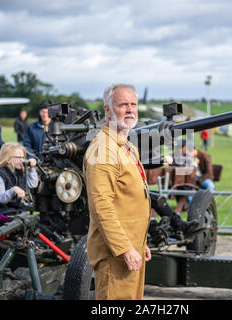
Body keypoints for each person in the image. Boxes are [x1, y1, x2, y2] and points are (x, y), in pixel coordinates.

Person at [83, 84, 152, 300]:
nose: (130, 109)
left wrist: (140, 243)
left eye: (133, 104)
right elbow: (101, 207)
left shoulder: (125, 146)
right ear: (107, 110)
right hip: (115, 254)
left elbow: (128, 201)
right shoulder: (103, 151)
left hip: (130, 248)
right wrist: (124, 248)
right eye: (123, 105)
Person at [0, 142, 38, 224]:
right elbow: (1, 199)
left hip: (12, 210)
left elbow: (32, 184)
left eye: (23, 157)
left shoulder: (18, 172)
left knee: (39, 222)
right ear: (7, 159)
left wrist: (32, 169)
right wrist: (13, 190)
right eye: (18, 157)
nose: (22, 160)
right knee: (27, 223)